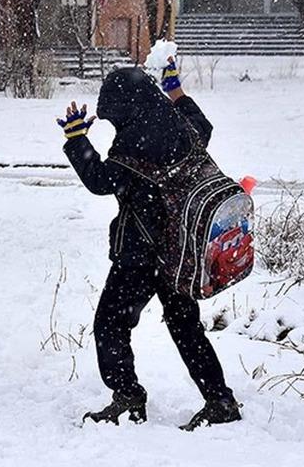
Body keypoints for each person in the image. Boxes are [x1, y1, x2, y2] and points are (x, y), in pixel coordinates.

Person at [57, 59, 241, 431]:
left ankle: (127, 397)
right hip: (179, 251)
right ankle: (220, 400)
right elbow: (203, 124)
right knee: (186, 327)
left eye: (114, 117)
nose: (114, 125)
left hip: (140, 256)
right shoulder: (181, 127)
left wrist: (77, 139)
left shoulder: (134, 145)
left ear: (127, 108)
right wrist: (177, 92)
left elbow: (101, 180)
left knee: (110, 323)